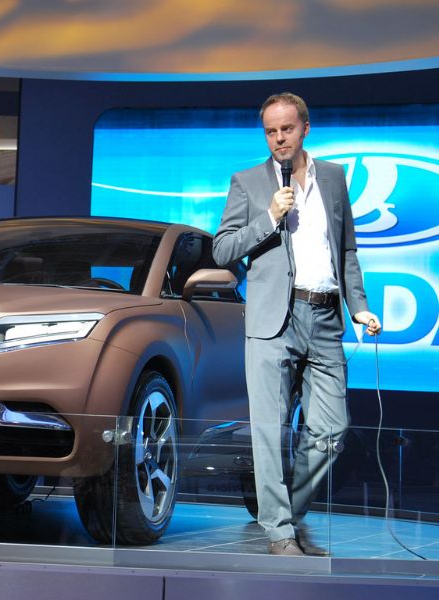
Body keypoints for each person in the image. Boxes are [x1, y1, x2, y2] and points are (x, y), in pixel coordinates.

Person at [212, 92, 382, 556]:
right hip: (272, 320)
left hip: (325, 316)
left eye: (286, 129)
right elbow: (222, 249)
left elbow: (346, 249)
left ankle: (287, 512)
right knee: (270, 430)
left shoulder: (333, 177)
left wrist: (359, 305)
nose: (279, 139)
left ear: (305, 128)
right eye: (270, 131)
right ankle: (280, 533)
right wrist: (269, 217)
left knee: (332, 430)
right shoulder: (248, 182)